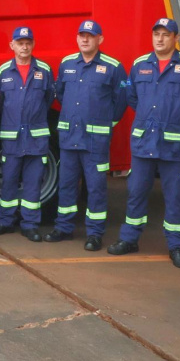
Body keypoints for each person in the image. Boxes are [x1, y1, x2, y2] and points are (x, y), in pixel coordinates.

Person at [108, 18, 180, 268]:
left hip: (175, 147)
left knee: (176, 196)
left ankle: (176, 246)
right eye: (156, 34)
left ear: (176, 38)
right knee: (136, 192)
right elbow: (132, 98)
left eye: (166, 34)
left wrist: (177, 117)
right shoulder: (140, 64)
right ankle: (129, 239)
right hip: (144, 142)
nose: (160, 39)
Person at [46, 21, 128, 251]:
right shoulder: (67, 64)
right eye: (81, 35)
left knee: (96, 188)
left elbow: (121, 101)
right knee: (67, 185)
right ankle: (63, 227)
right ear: (77, 38)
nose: (85, 39)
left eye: (90, 36)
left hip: (96, 142)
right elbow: (60, 94)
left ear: (100, 39)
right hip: (70, 137)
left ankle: (94, 233)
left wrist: (105, 124)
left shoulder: (113, 67)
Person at [0, 27, 55, 242]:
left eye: (28, 42)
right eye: (20, 42)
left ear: (33, 44)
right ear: (12, 45)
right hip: (12, 138)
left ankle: (30, 224)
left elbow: (49, 99)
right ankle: (5, 222)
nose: (24, 46)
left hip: (36, 137)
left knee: (33, 182)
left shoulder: (43, 69)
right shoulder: (3, 72)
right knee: (8, 180)